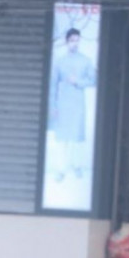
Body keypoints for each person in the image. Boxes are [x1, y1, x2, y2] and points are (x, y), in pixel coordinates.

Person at [48, 28, 96, 183]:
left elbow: (94, 80)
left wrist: (78, 82)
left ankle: (76, 166)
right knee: (62, 140)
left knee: (76, 139)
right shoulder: (60, 61)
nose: (75, 43)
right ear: (67, 41)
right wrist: (53, 106)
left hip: (77, 103)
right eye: (72, 40)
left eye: (77, 40)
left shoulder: (86, 60)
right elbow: (53, 85)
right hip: (63, 103)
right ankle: (61, 170)